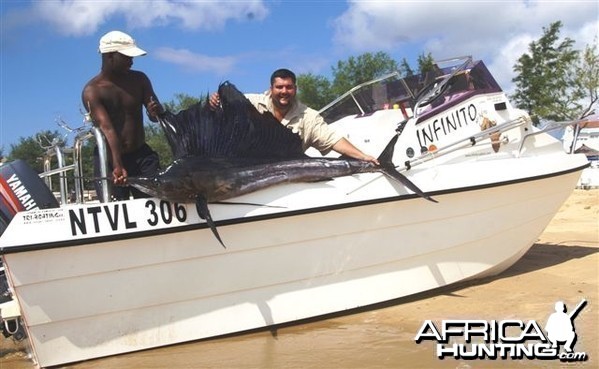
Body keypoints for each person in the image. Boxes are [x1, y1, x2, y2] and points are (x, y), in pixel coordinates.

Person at [209, 68, 379, 164]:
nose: (284, 92)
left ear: (295, 89)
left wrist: (363, 156)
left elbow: (332, 139)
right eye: (279, 87)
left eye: (289, 87)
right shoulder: (251, 102)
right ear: (271, 89)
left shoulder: (308, 116)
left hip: (291, 176)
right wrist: (214, 102)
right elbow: (219, 110)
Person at [82, 30, 163, 201]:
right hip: (109, 158)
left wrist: (155, 112)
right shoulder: (93, 91)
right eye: (127, 57)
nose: (132, 61)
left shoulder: (140, 79)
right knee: (115, 211)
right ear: (110, 56)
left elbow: (156, 116)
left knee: (157, 203)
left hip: (142, 156)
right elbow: (107, 128)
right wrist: (117, 165)